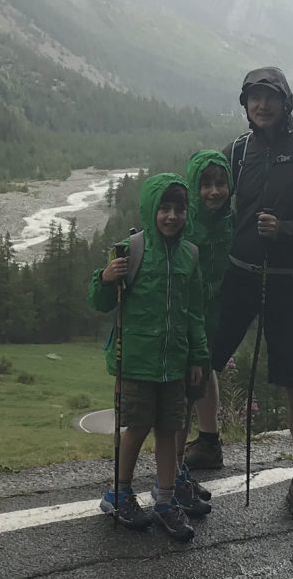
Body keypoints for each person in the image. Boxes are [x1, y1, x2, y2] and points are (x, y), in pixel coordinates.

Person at [202, 67, 293, 523]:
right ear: (245, 104)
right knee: (204, 358)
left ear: (286, 103)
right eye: (253, 98)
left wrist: (286, 231)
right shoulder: (236, 153)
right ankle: (208, 443)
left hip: (289, 280)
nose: (261, 106)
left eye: (270, 98)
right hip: (238, 276)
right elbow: (209, 204)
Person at [89, 173, 210, 540]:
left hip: (174, 361)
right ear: (150, 209)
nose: (172, 216)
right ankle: (119, 492)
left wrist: (197, 357)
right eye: (164, 208)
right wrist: (106, 278)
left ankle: (165, 498)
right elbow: (101, 302)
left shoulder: (190, 254)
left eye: (179, 209)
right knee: (137, 427)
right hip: (136, 361)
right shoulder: (132, 250)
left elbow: (194, 312)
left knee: (170, 430)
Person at [173, 150, 234, 511]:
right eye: (206, 184)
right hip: (184, 312)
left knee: (205, 369)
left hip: (216, 313)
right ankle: (174, 468)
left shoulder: (231, 221)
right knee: (184, 385)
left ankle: (207, 443)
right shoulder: (183, 222)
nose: (213, 191)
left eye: (220, 183)